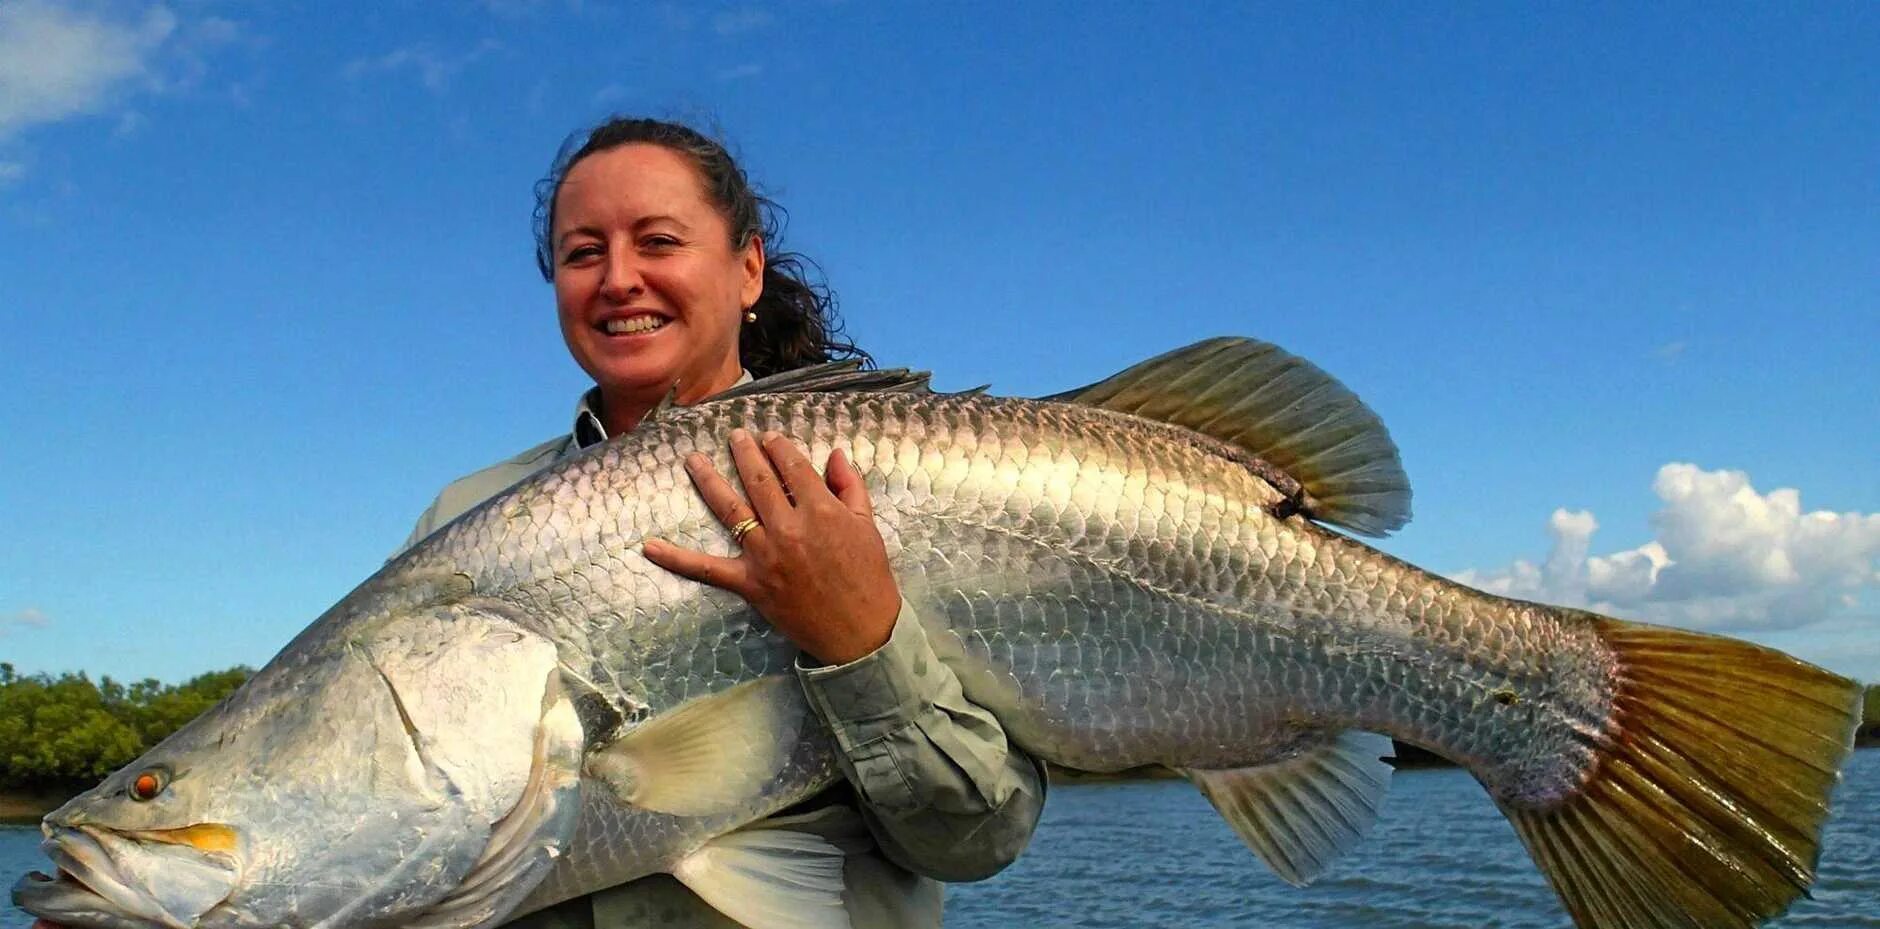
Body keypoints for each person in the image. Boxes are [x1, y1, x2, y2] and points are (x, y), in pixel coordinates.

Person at [397, 117, 1047, 929]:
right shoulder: (461, 519)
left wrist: (860, 644)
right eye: (582, 252)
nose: (619, 278)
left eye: (659, 241)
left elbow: (980, 836)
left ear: (748, 271)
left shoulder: (892, 483)